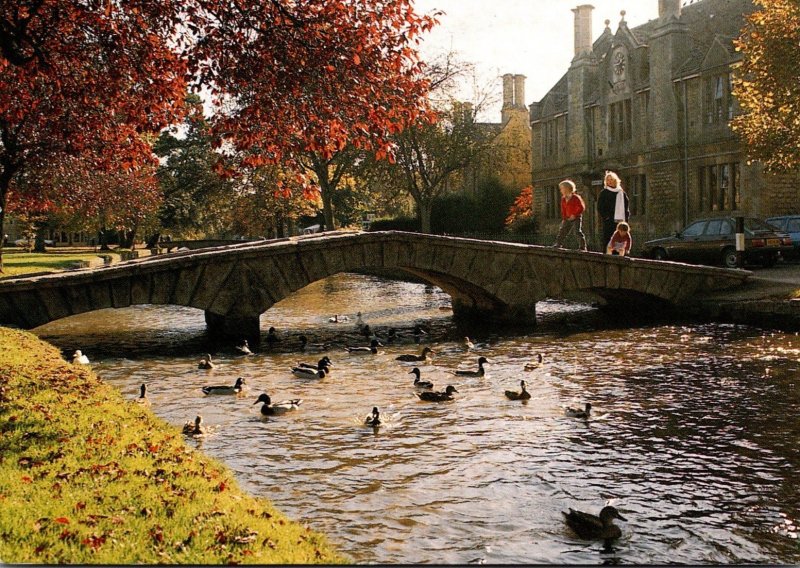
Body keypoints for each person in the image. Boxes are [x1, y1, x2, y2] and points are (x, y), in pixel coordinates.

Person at [597, 171, 630, 250]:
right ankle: (608, 256)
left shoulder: (621, 193)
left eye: (611, 179)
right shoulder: (604, 193)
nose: (610, 181)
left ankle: (618, 255)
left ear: (615, 180)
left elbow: (626, 207)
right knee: (608, 238)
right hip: (609, 220)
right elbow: (600, 207)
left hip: (620, 221)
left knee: (620, 239)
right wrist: (606, 217)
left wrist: (626, 219)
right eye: (608, 180)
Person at [552, 179, 588, 251]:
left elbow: (582, 207)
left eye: (561, 188)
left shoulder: (576, 197)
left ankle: (582, 247)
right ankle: (558, 244)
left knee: (577, 231)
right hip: (567, 218)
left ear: (567, 188)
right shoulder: (563, 199)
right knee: (562, 231)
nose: (560, 191)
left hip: (576, 217)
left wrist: (574, 215)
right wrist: (565, 218)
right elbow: (563, 210)